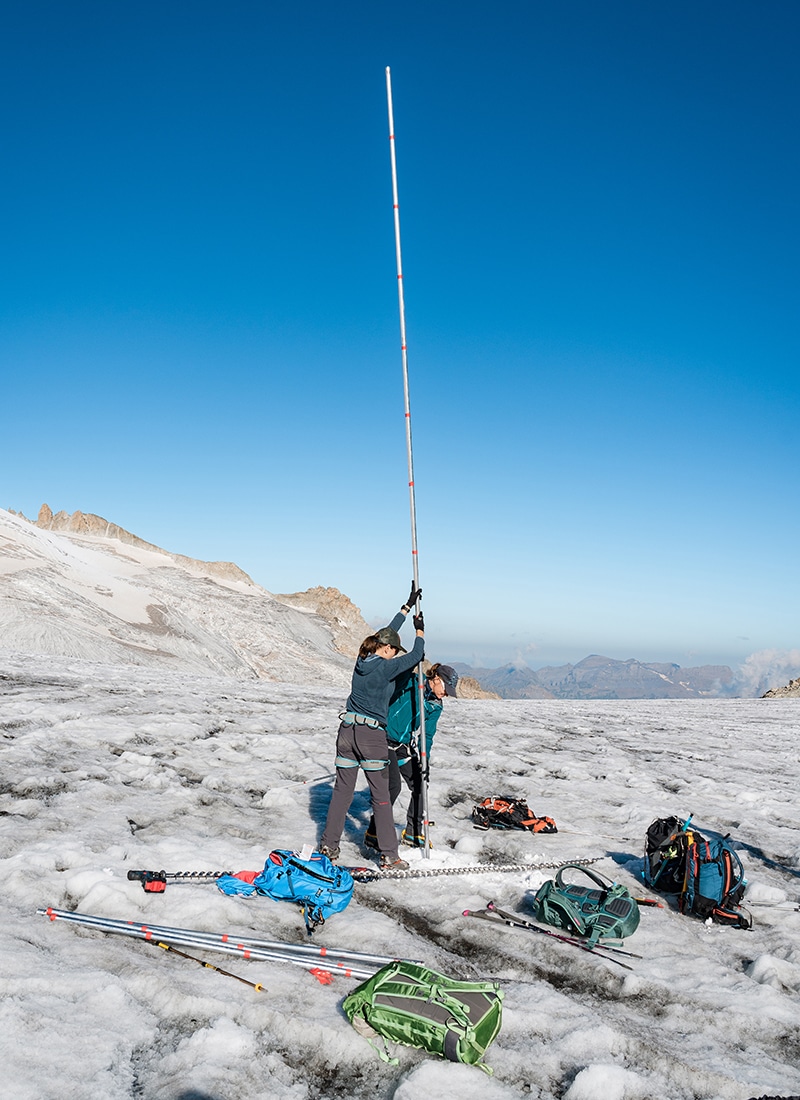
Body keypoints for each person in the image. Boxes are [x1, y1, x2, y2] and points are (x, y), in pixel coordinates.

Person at [318, 583, 424, 870]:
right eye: (394, 651)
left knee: (342, 792)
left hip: (346, 732)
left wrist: (405, 608)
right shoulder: (386, 666)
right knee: (381, 796)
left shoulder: (362, 659)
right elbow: (416, 656)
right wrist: (420, 631)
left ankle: (329, 846)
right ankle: (389, 855)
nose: (395, 655)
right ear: (387, 649)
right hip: (370, 736)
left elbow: (385, 632)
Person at [364, 662, 459, 851]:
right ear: (436, 679)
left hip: (403, 744)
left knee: (421, 783)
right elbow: (394, 675)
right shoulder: (412, 683)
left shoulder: (435, 705)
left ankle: (413, 832)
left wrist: (425, 761)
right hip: (383, 737)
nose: (446, 694)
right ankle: (374, 831)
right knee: (393, 786)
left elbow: (427, 735)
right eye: (445, 689)